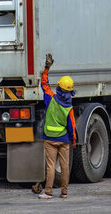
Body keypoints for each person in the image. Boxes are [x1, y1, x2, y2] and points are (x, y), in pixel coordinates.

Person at [38, 53, 76, 199]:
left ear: (59, 88)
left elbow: (44, 84)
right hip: (64, 140)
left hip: (49, 139)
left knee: (50, 166)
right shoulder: (69, 108)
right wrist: (73, 140)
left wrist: (47, 68)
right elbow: (71, 126)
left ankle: (48, 192)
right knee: (65, 167)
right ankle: (64, 192)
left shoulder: (50, 98)